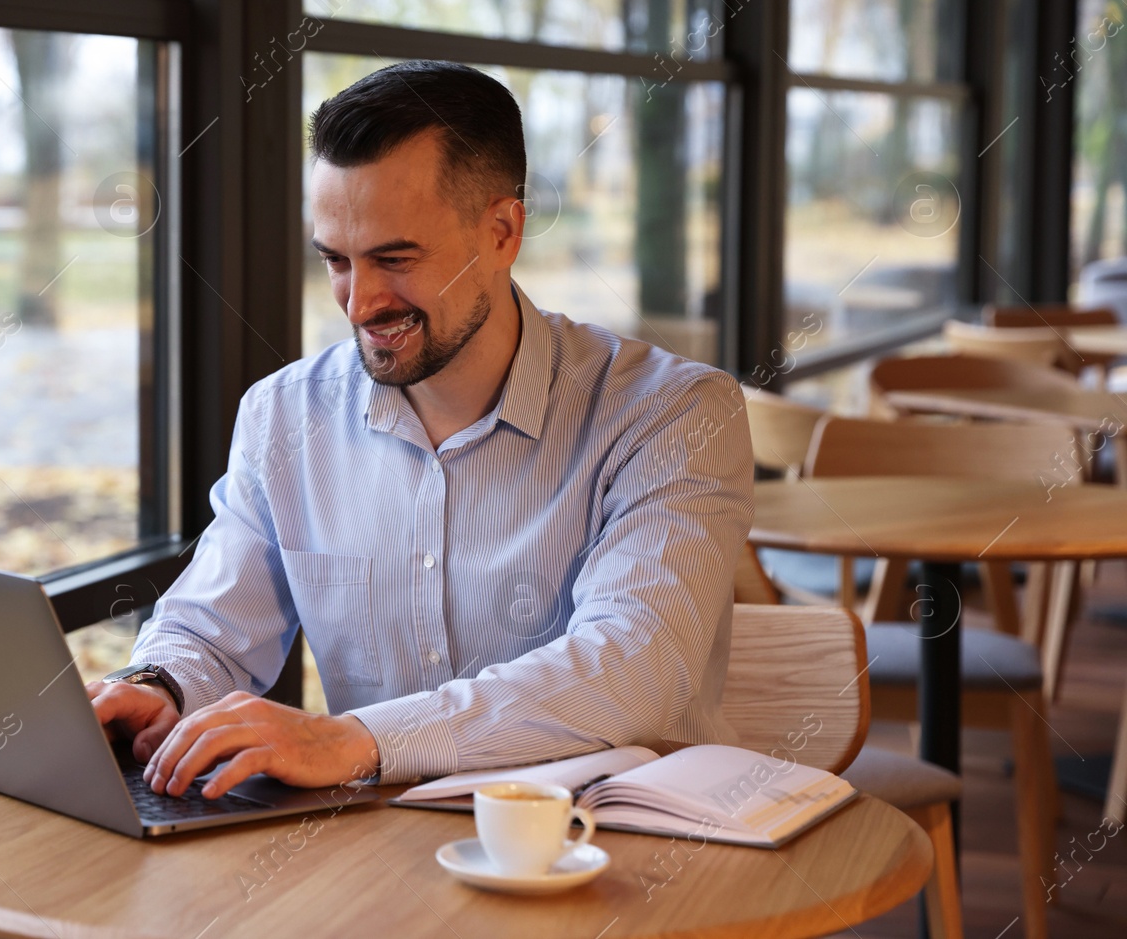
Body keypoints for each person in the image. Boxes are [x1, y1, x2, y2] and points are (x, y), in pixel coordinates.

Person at [87, 60, 753, 799]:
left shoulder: (675, 414)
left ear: (502, 231)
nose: (360, 302)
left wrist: (358, 739)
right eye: (336, 261)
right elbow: (212, 625)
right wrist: (160, 682)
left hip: (617, 863)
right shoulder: (285, 415)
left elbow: (633, 669)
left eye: (394, 259)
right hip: (389, 862)